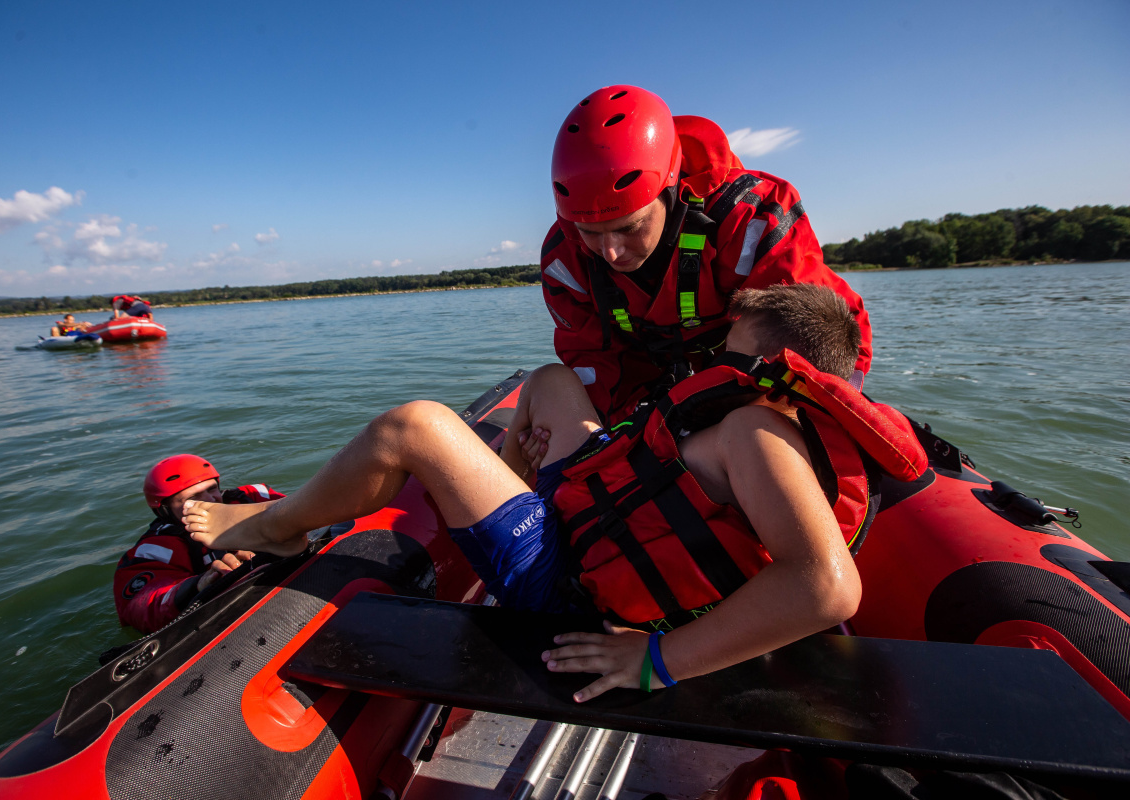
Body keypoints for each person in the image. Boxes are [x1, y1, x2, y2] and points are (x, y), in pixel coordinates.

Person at [180, 284, 925, 702]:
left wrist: (657, 661)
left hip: (579, 587)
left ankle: (276, 528)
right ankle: (505, 490)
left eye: (732, 349)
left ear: (769, 361)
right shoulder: (758, 423)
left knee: (414, 426)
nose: (715, 360)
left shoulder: (761, 431)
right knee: (551, 382)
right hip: (602, 518)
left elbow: (827, 589)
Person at [542, 85, 872, 425]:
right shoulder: (564, 259)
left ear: (670, 189)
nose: (610, 252)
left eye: (630, 227)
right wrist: (612, 428)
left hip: (762, 369)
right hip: (659, 378)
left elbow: (810, 339)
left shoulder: (753, 220)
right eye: (590, 233)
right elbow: (591, 355)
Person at [113, 454, 285, 634]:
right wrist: (199, 585)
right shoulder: (157, 547)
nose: (210, 500)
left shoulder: (250, 498)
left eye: (212, 489)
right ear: (165, 509)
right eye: (194, 497)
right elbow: (139, 606)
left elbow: (301, 511)